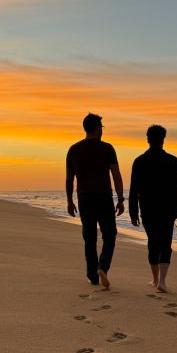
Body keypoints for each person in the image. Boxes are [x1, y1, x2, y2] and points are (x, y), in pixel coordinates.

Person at [66, 113, 125, 289]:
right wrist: (121, 199)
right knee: (109, 235)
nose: (102, 130)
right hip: (103, 197)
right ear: (96, 128)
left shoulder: (74, 149)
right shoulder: (107, 148)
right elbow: (116, 176)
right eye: (101, 127)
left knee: (89, 237)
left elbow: (70, 179)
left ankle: (93, 275)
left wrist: (69, 201)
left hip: (84, 197)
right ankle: (103, 267)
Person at [129, 124, 177, 293]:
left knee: (153, 242)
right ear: (163, 140)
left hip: (147, 208)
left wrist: (133, 213)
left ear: (148, 139)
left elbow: (134, 189)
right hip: (167, 210)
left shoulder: (139, 161)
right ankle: (162, 281)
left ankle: (154, 279)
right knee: (166, 243)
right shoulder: (173, 161)